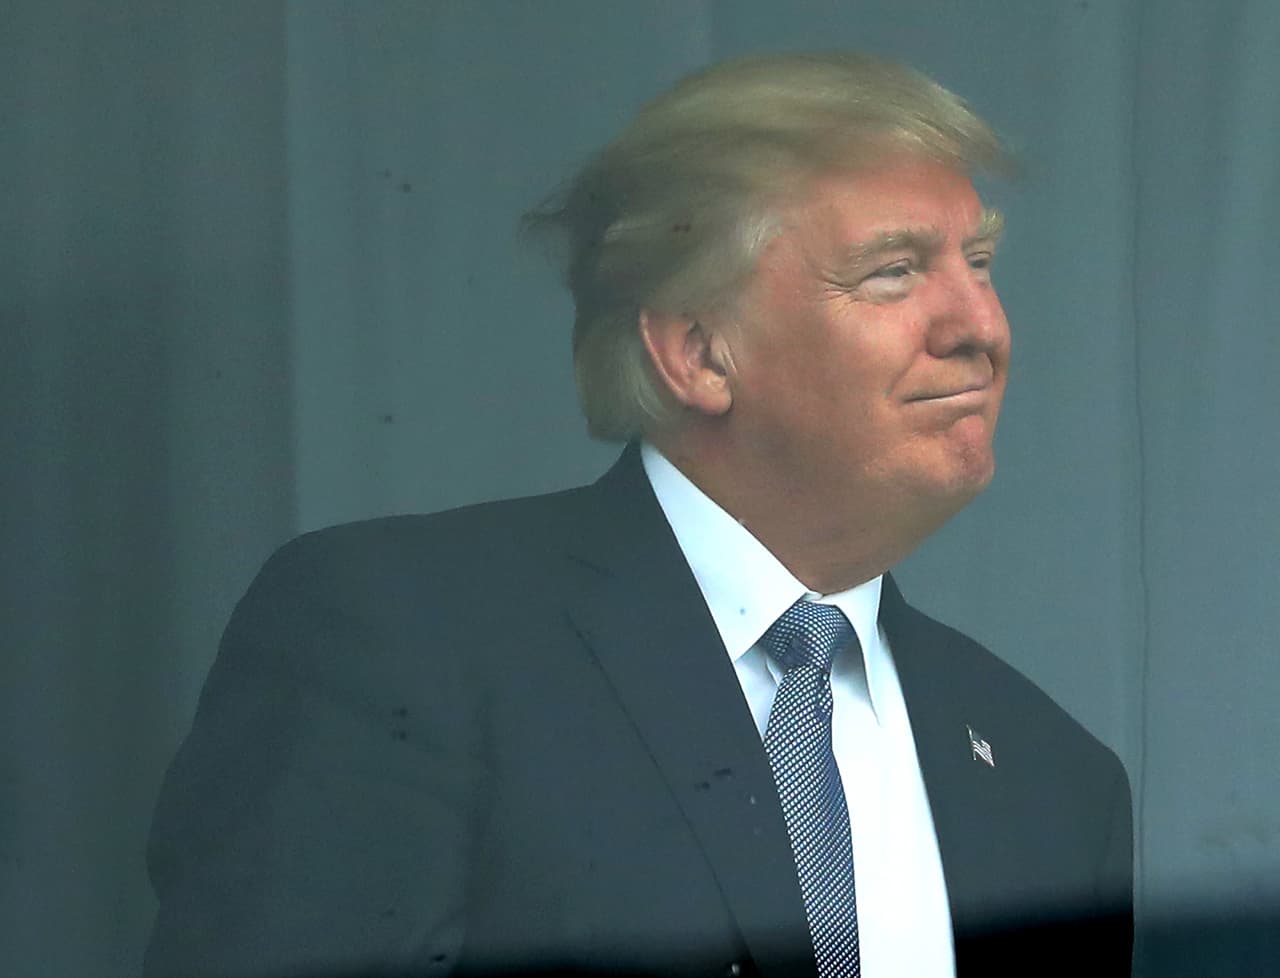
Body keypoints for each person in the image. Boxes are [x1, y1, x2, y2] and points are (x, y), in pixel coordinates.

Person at [144, 52, 1133, 978]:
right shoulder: (405, 639)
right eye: (893, 272)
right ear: (698, 352)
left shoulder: (1052, 777)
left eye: (980, 265)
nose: (979, 327)